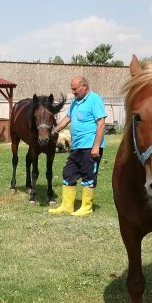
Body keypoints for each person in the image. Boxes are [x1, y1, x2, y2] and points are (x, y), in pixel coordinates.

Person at [48, 76, 107, 216]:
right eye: (72, 89)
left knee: (88, 176)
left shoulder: (95, 100)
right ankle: (67, 206)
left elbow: (101, 123)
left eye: (75, 89)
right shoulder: (76, 102)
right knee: (68, 173)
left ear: (84, 86)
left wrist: (96, 147)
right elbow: (67, 119)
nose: (73, 92)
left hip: (90, 147)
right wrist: (54, 131)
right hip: (76, 147)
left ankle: (86, 208)